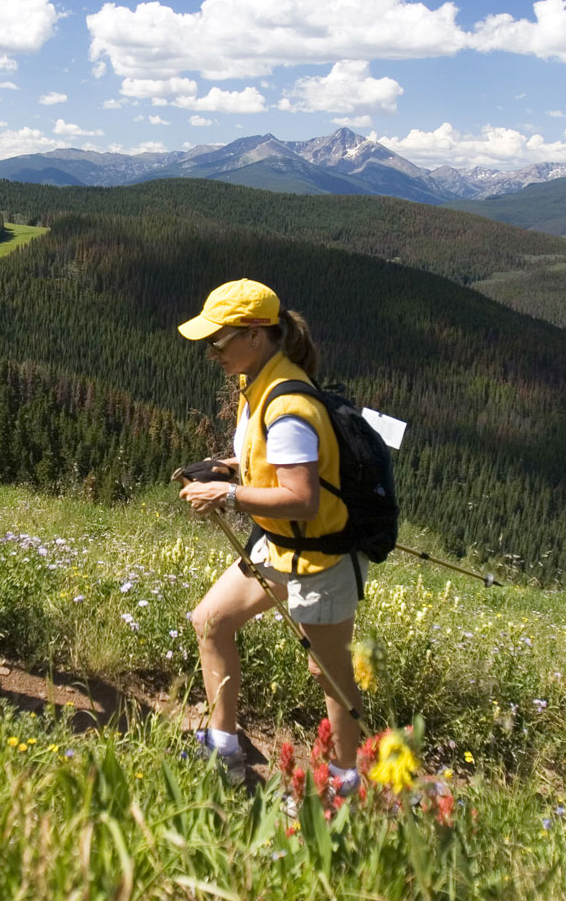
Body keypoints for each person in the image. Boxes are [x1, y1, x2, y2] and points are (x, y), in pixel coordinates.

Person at [176, 279, 364, 792]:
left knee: (328, 674)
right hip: (281, 546)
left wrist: (227, 496)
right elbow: (272, 461)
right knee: (211, 621)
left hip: (320, 560)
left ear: (256, 335)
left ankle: (343, 786)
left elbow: (303, 498)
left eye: (217, 340)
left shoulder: (286, 404)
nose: (210, 351)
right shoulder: (257, 384)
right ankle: (224, 749)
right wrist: (230, 467)